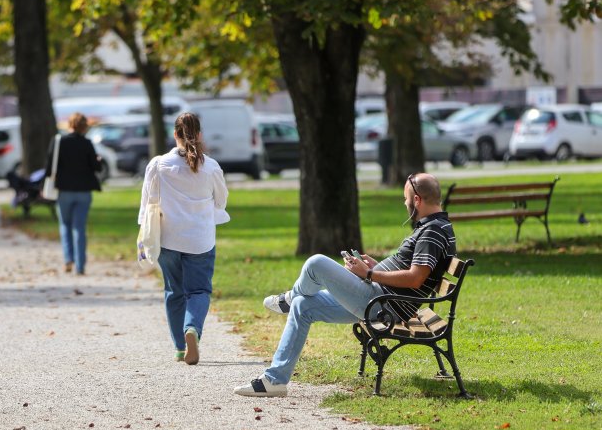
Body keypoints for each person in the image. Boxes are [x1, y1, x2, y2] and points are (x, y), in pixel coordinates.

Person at [234, 173, 456, 397]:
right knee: (303, 305)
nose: (404, 203)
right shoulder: (435, 227)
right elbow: (413, 275)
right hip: (380, 298)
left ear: (417, 200)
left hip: (383, 306)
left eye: (406, 198)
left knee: (316, 263)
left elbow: (416, 278)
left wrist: (369, 273)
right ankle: (275, 380)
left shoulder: (432, 232)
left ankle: (288, 299)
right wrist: (376, 267)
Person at [138, 112, 230, 365]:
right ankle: (192, 329)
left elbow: (147, 204)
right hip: (200, 239)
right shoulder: (210, 166)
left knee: (173, 291)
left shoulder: (157, 165)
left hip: (167, 238)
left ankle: (180, 347)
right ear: (199, 135)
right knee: (199, 290)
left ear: (175, 134)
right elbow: (221, 200)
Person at [46, 112, 102, 275]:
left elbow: (49, 168)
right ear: (84, 127)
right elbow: (97, 168)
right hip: (84, 192)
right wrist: (97, 160)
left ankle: (68, 259)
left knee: (65, 225)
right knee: (79, 227)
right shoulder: (87, 143)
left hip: (64, 191)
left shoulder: (58, 142)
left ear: (70, 125)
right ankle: (80, 265)